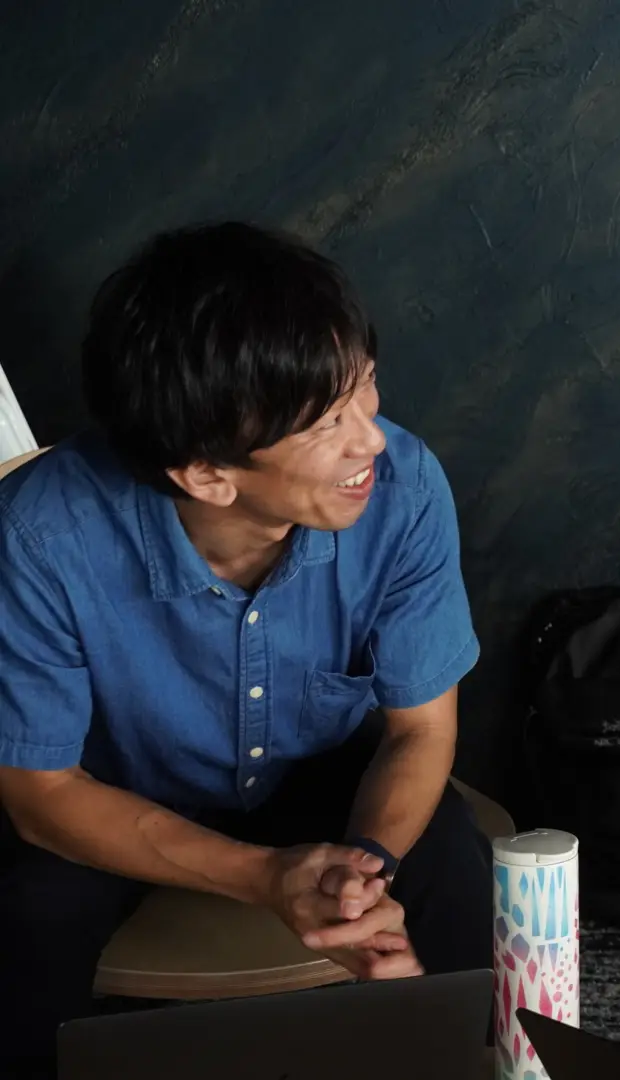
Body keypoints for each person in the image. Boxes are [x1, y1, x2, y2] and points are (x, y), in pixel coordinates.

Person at [0, 222, 492, 1079]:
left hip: (315, 771)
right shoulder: (41, 535)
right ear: (206, 474)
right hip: (114, 793)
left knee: (452, 861)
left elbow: (421, 732)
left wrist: (361, 878)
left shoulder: (404, 489)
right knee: (22, 914)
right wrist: (264, 877)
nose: (371, 440)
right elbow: (41, 794)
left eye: (364, 388)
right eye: (327, 422)